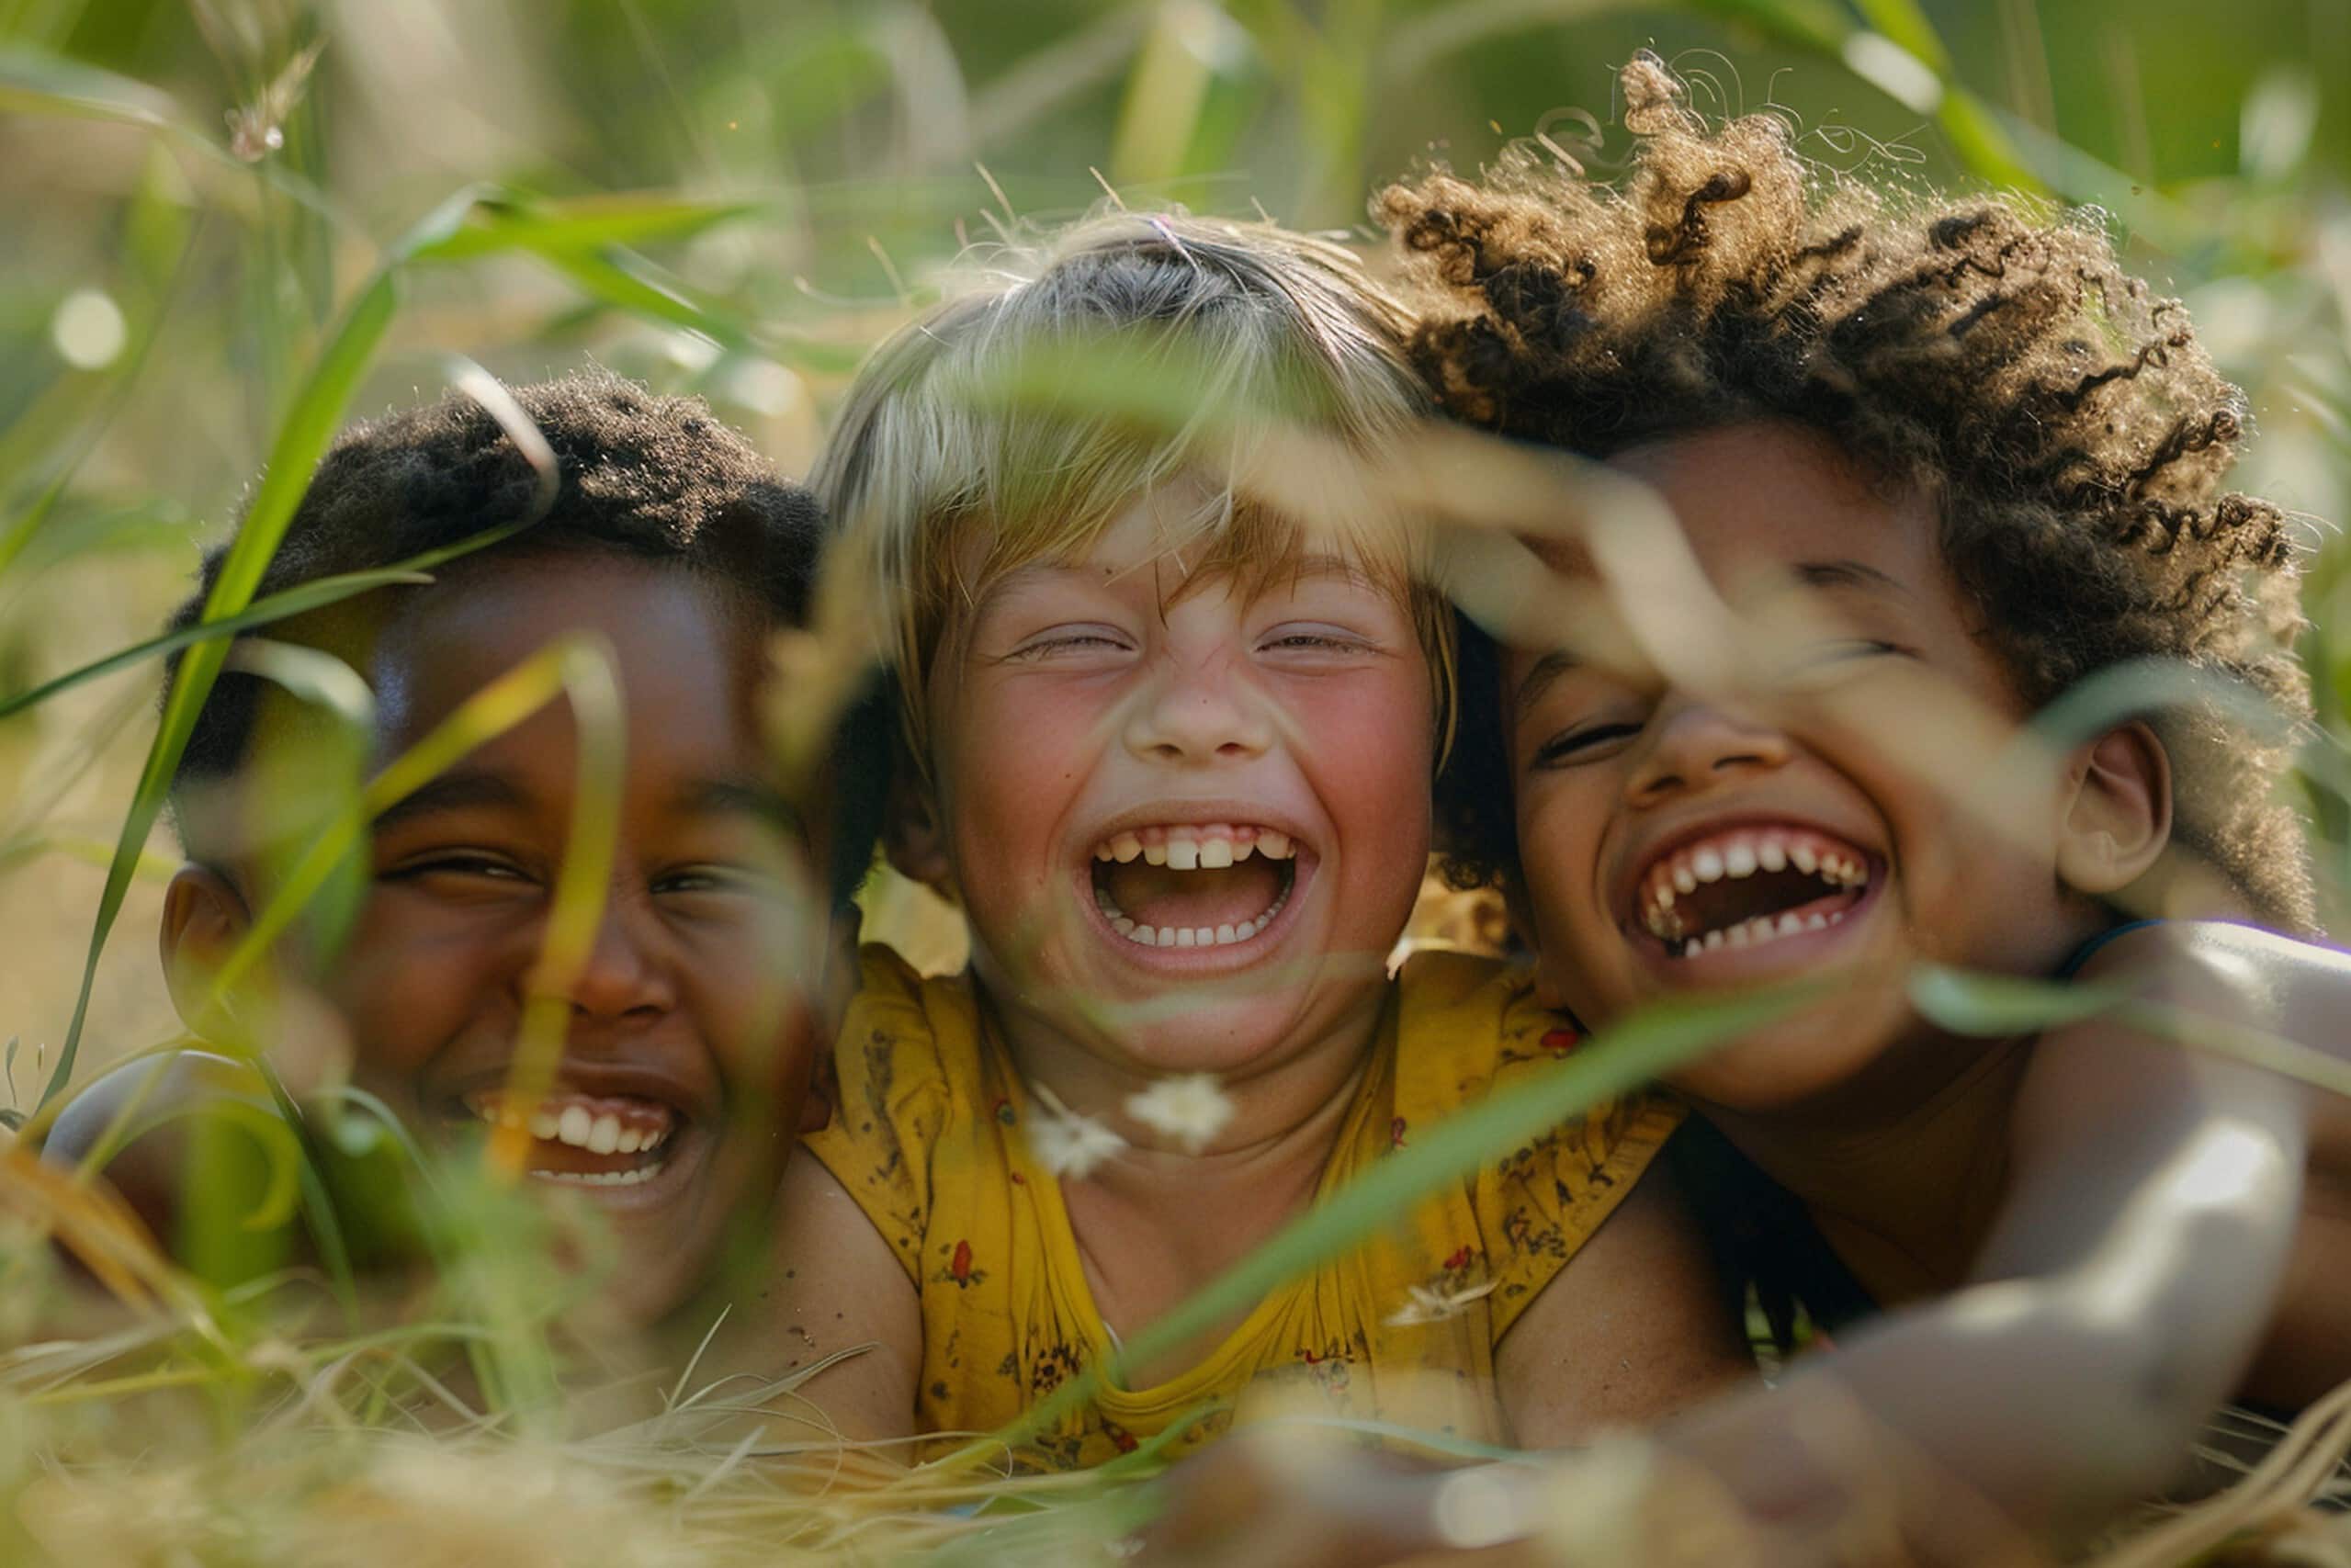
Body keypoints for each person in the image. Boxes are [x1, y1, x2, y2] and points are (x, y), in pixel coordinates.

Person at [1344, 51, 2349, 1563]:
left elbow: (2086, 1364)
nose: (1691, 741)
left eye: (1826, 659)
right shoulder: (1700, 1191)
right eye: (1591, 721)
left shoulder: (2184, 1016)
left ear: (2092, 794)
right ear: (1533, 934)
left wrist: (1483, 1530)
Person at [740, 211, 1747, 1469]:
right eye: (1074, 638)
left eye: (1308, 635)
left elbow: (1673, 1518)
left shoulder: (1529, 1117)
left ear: (1441, 772)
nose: (1197, 717)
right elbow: (778, 1513)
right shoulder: (869, 1100)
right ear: (916, 802)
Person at [40, 370, 887, 1354]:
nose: (598, 971)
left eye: (701, 881)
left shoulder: (916, 1336)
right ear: (229, 966)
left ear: (834, 1010)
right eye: (476, 867)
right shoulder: (122, 1252)